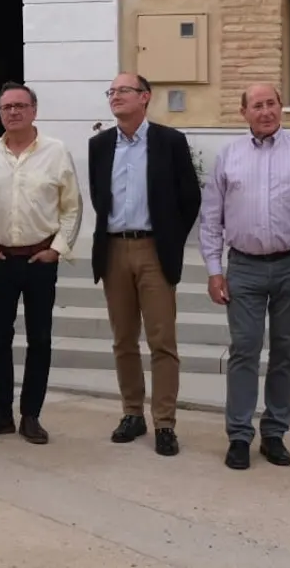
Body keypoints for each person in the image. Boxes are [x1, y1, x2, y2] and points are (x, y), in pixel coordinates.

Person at [199, 82, 290, 471]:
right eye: (257, 106)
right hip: (244, 267)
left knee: (285, 351)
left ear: (281, 107)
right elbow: (211, 217)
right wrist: (214, 270)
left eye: (271, 103)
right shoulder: (229, 156)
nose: (266, 112)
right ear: (243, 113)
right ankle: (239, 435)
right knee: (244, 348)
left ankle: (274, 433)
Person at [86, 73, 202, 457]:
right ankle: (132, 413)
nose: (115, 97)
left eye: (123, 91)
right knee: (123, 340)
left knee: (162, 341)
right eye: (112, 92)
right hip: (114, 249)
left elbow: (190, 198)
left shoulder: (170, 142)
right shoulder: (100, 145)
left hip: (154, 249)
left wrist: (169, 238)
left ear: (145, 98)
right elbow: (99, 197)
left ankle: (164, 422)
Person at [0, 81, 82, 445]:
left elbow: (71, 207)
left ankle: (31, 414)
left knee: (40, 339)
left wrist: (57, 249)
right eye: (6, 107)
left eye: (20, 105)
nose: (13, 112)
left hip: (39, 260)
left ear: (34, 110)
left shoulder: (57, 152)